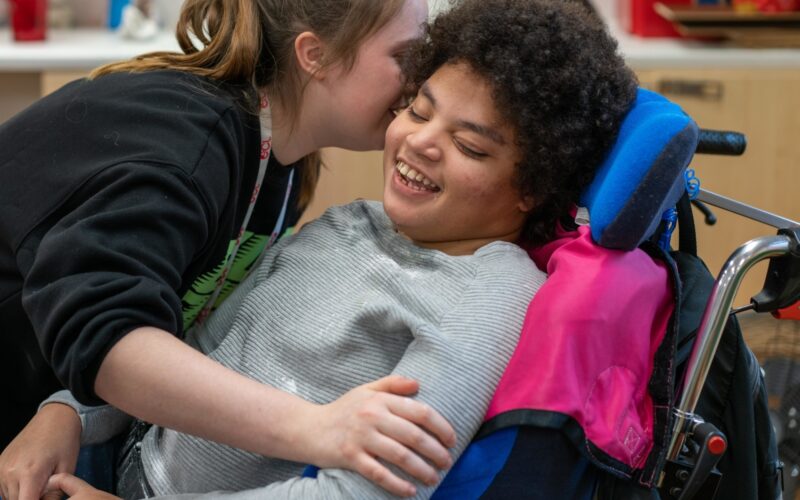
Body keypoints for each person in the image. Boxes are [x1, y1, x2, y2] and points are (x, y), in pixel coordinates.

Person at [33, 0, 636, 498]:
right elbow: (200, 344)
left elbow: (363, 491)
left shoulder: (487, 299)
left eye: (470, 147)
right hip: (118, 447)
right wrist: (70, 415)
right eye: (418, 110)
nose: (420, 142)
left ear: (532, 185)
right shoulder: (350, 222)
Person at [0, 0, 459, 498]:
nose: (419, 82)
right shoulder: (189, 142)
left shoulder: (284, 159)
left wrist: (67, 409)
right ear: (317, 56)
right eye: (404, 57)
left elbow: (172, 319)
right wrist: (317, 428)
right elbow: (108, 337)